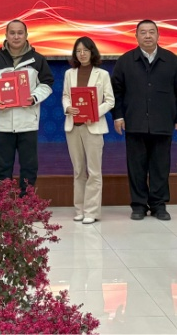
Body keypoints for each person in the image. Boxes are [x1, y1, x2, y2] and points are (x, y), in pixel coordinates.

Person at [112, 20, 177, 221]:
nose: (147, 36)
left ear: (158, 35)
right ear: (136, 36)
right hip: (134, 122)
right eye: (143, 32)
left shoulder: (172, 61)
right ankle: (138, 205)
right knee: (136, 167)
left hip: (162, 122)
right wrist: (118, 116)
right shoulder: (125, 61)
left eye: (151, 32)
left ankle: (158, 205)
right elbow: (116, 92)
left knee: (160, 167)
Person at [0, 20, 54, 195]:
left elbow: (47, 84)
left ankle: (26, 203)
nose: (16, 36)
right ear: (6, 35)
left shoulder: (37, 60)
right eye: (12, 33)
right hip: (2, 122)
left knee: (29, 166)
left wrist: (34, 98)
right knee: (3, 168)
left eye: (20, 33)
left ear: (26, 35)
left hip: (27, 122)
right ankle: (4, 204)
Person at [63, 36, 115, 224]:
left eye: (85, 50)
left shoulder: (103, 74)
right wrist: (67, 107)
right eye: (78, 51)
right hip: (73, 126)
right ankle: (80, 209)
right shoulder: (69, 73)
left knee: (94, 171)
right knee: (78, 171)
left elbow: (110, 101)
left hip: (93, 127)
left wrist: (94, 113)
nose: (82, 54)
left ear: (92, 52)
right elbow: (65, 96)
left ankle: (91, 211)